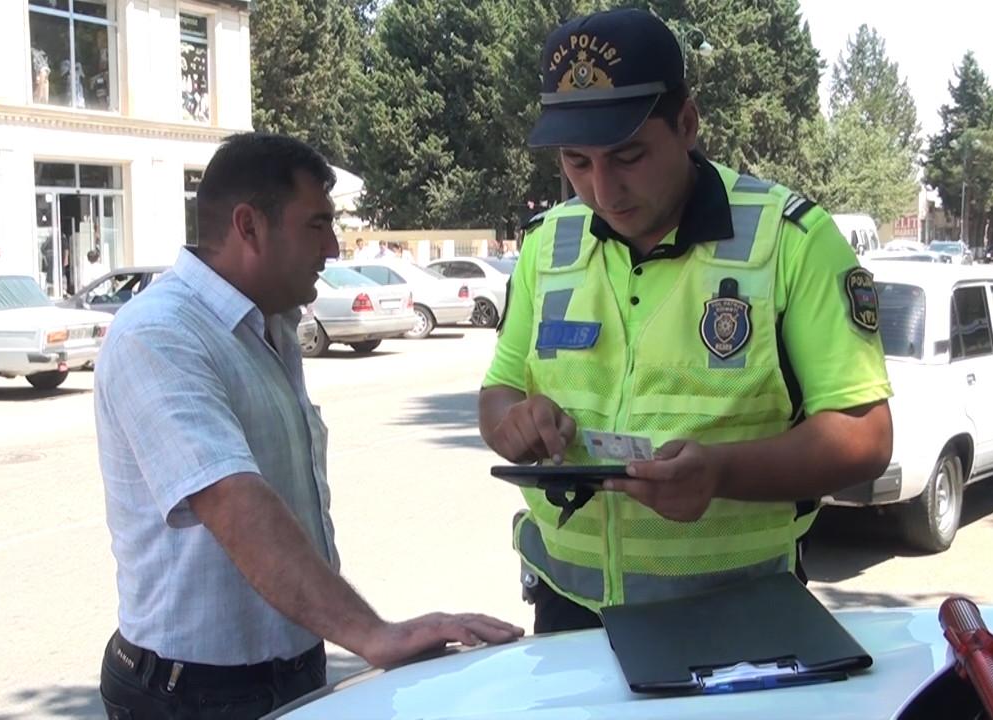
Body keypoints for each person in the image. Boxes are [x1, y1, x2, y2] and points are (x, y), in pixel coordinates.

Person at [478, 8, 894, 634]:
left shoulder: (792, 240)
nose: (603, 191)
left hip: (742, 614)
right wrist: (512, 424)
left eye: (629, 156)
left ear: (688, 124)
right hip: (569, 610)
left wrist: (721, 473)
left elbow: (867, 438)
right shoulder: (547, 244)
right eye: (577, 162)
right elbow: (499, 392)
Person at [95, 132, 522, 719]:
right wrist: (373, 635)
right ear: (249, 226)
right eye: (317, 225)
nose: (333, 247)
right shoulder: (159, 334)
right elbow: (234, 502)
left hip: (288, 669)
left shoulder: (269, 322)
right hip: (192, 694)